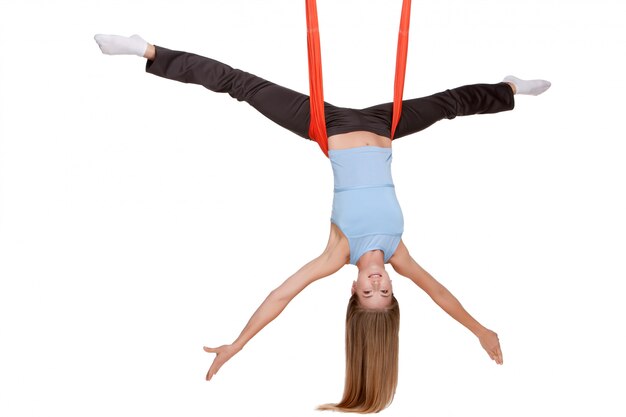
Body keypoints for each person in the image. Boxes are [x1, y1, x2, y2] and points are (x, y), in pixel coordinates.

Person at [94, 33, 551, 413]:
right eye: (385, 292)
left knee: (241, 85)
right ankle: (509, 88)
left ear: (352, 292)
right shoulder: (398, 252)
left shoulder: (339, 253)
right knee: (453, 103)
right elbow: (443, 296)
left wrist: (238, 343)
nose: (375, 283)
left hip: (325, 125)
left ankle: (147, 51)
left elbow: (281, 296)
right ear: (393, 288)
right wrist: (480, 330)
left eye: (367, 292)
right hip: (383, 125)